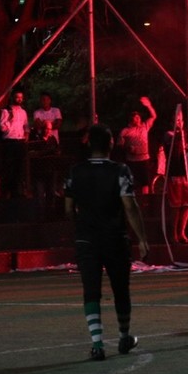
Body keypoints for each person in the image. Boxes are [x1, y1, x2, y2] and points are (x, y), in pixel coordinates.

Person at [64, 124, 149, 361]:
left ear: (89, 144)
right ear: (111, 143)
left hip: (87, 238)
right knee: (121, 289)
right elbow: (130, 206)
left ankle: (97, 344)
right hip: (115, 237)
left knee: (91, 290)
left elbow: (68, 208)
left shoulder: (75, 171)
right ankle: (124, 336)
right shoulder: (120, 170)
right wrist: (142, 238)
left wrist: (80, 227)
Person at [162, 112, 188, 245]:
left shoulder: (186, 135)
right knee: (176, 205)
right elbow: (175, 143)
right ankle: (173, 234)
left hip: (186, 174)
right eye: (177, 120)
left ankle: (182, 233)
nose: (179, 122)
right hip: (174, 173)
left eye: (181, 120)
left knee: (187, 205)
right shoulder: (169, 134)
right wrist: (183, 130)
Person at [118, 97, 157, 194]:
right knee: (132, 182)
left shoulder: (144, 126)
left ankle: (145, 199)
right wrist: (127, 148)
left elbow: (153, 116)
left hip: (144, 159)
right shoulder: (125, 131)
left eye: (138, 117)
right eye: (135, 118)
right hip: (132, 160)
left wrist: (149, 106)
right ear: (131, 119)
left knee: (145, 182)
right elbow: (119, 144)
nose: (138, 119)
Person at [0, 88, 31, 198]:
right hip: (9, 141)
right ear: (13, 98)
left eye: (21, 98)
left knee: (19, 167)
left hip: (20, 141)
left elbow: (26, 125)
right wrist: (9, 119)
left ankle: (17, 191)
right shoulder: (6, 111)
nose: (19, 99)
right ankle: (7, 191)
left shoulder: (23, 112)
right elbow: (2, 128)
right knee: (9, 167)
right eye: (17, 97)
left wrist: (26, 135)